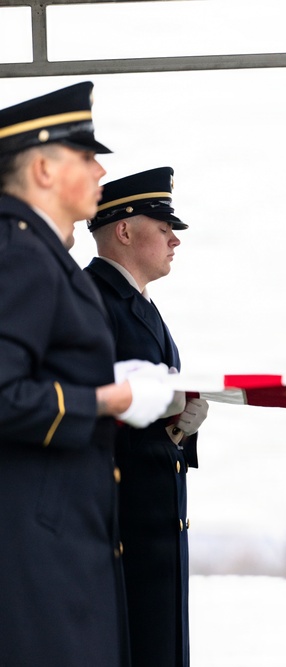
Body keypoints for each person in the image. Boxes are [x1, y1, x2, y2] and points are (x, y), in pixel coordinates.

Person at [0, 82, 175, 666]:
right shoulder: (19, 251)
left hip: (59, 532)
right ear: (46, 169)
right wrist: (110, 397)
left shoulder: (36, 251)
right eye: (86, 156)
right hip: (33, 540)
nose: (100, 170)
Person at [86, 166, 208, 667]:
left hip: (151, 519)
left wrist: (178, 427)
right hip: (118, 518)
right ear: (123, 230)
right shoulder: (92, 299)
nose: (174, 241)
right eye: (163, 228)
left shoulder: (142, 305)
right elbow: (87, 401)